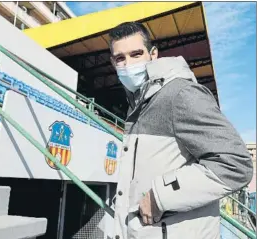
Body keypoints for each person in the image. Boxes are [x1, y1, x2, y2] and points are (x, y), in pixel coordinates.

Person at [108, 21, 253, 239]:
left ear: (153, 54)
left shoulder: (179, 94)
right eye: (120, 58)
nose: (128, 64)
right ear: (113, 62)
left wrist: (160, 196)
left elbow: (236, 163)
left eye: (136, 54)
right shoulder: (137, 105)